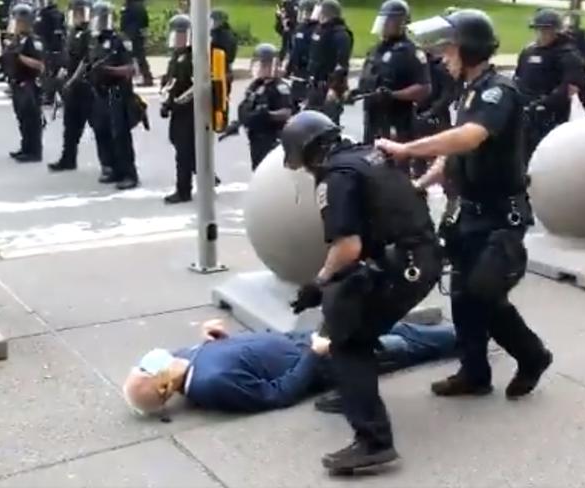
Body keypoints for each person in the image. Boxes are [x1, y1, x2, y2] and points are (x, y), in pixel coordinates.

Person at [375, 9, 553, 400]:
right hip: (467, 211)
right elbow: (454, 153)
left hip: (498, 216)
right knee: (461, 294)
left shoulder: (497, 92)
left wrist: (406, 149)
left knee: (484, 293)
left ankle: (532, 355)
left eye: (450, 47)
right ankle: (473, 372)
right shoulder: (469, 90)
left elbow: (469, 138)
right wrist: (422, 182)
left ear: (470, 48)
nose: (442, 56)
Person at [281, 110, 442, 473]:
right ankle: (356, 390)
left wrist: (318, 283)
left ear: (309, 152)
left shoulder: (335, 178)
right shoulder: (370, 155)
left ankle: (373, 441)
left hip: (404, 265)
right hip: (420, 256)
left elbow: (347, 247)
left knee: (347, 342)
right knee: (356, 320)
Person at [123, 318, 457, 415]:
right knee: (404, 344)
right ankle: (471, 338)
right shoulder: (212, 383)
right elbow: (276, 394)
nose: (150, 358)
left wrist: (221, 339)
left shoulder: (187, 361)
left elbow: (242, 357)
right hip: (322, 358)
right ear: (164, 384)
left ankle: (469, 332)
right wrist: (315, 354)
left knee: (394, 326)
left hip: (303, 340)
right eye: (146, 368)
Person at [352, 0, 430, 147]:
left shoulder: (410, 52)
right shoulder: (375, 50)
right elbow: (369, 78)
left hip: (396, 121)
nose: (384, 25)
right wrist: (357, 92)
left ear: (401, 23)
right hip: (372, 120)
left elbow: (424, 88)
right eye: (383, 20)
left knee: (393, 165)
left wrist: (393, 95)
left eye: (389, 21)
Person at [515, 8, 584, 164]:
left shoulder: (567, 55)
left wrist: (544, 103)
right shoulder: (528, 52)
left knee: (550, 156)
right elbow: (518, 78)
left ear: (556, 30)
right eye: (539, 30)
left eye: (546, 30)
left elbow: (569, 86)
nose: (542, 35)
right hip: (526, 113)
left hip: (551, 113)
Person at [88, 0, 139, 189]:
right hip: (99, 92)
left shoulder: (120, 40)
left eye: (102, 19)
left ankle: (129, 174)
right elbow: (88, 63)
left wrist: (109, 70)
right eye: (96, 19)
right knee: (101, 130)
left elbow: (131, 69)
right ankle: (111, 167)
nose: (99, 23)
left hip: (117, 92)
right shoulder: (95, 41)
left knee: (120, 134)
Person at [47, 0, 93, 172]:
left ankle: (111, 164)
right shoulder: (73, 32)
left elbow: (86, 60)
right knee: (70, 125)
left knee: (99, 126)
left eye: (81, 12)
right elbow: (69, 56)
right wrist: (63, 71)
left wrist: (73, 79)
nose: (77, 16)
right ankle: (68, 159)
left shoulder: (90, 33)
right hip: (72, 85)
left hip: (86, 85)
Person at [234, 43, 293, 171]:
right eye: (261, 64)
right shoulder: (255, 86)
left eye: (266, 65)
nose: (262, 68)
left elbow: (287, 112)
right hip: (255, 137)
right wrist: (240, 121)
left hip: (271, 137)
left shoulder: (279, 87)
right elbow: (247, 105)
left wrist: (268, 115)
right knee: (257, 169)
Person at [160, 13, 196, 204]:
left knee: (183, 151)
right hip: (177, 109)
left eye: (182, 35)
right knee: (177, 142)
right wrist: (165, 100)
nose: (178, 39)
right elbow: (169, 81)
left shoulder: (192, 58)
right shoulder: (176, 56)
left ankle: (183, 191)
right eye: (176, 34)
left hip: (189, 111)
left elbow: (195, 87)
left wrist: (177, 102)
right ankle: (204, 172)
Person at [3, 2, 44, 163]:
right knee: (22, 119)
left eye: (19, 21)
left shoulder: (33, 41)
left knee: (31, 119)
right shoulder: (16, 40)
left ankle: (34, 151)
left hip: (29, 84)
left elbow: (39, 64)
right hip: (16, 83)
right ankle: (25, 147)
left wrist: (20, 57)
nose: (16, 24)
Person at [306, 0, 352, 124]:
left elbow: (342, 64)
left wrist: (334, 88)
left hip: (329, 87)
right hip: (315, 85)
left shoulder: (341, 35)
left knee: (327, 124)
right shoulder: (319, 30)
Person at [284, 0, 318, 107]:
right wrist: (288, 68)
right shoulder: (299, 28)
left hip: (308, 70)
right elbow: (293, 50)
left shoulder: (317, 29)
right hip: (297, 70)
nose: (303, 15)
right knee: (293, 100)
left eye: (306, 12)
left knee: (308, 101)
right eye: (302, 11)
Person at [563, 10, 585, 117]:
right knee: (583, 95)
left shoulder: (573, 36)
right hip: (578, 69)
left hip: (576, 70)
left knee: (569, 94)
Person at [33, 0, 64, 106]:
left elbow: (38, 30)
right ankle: (59, 93)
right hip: (59, 46)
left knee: (47, 71)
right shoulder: (59, 14)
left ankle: (49, 95)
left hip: (48, 46)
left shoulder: (44, 14)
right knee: (56, 70)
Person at [210, 8, 237, 112]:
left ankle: (221, 122)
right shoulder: (223, 34)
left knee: (220, 101)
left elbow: (226, 54)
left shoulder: (223, 36)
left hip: (221, 71)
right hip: (223, 70)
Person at [120, 0, 152, 87]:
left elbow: (143, 20)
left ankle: (147, 77)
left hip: (133, 34)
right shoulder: (132, 5)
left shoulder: (134, 5)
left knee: (137, 56)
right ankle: (144, 76)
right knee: (136, 56)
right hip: (132, 34)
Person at [275, 0, 297, 66]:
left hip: (292, 28)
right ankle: (280, 62)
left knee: (291, 47)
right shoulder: (284, 4)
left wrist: (288, 21)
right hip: (286, 28)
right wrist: (279, 16)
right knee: (285, 46)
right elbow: (280, 16)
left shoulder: (294, 4)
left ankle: (291, 64)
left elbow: (295, 17)